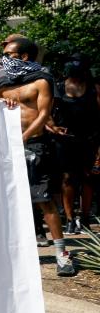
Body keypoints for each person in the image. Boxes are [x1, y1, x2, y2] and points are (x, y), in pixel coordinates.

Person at [0, 38, 74, 276]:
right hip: (6, 146)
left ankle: (62, 254)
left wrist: (24, 136)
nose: (4, 58)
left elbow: (43, 114)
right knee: (6, 200)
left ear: (24, 57)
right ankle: (9, 254)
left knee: (44, 200)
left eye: (9, 54)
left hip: (35, 145)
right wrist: (1, 102)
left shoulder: (42, 81)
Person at [52, 59, 100, 236]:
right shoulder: (58, 86)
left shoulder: (94, 88)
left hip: (89, 139)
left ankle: (86, 217)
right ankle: (70, 219)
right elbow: (49, 112)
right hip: (65, 140)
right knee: (67, 179)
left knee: (88, 179)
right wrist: (54, 128)